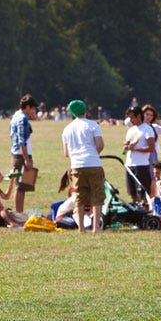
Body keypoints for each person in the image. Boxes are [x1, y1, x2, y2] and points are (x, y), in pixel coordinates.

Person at [61, 99, 105, 233]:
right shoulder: (93, 125)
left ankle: (81, 228)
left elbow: (66, 152)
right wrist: (92, 154)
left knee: (79, 196)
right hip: (93, 163)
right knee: (97, 195)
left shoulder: (67, 129)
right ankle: (96, 227)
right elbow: (100, 145)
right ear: (85, 111)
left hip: (76, 165)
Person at [9, 94, 39, 213]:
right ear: (27, 107)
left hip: (17, 153)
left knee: (21, 185)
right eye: (32, 108)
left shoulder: (16, 115)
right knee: (21, 187)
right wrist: (27, 159)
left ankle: (19, 212)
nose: (33, 111)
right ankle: (19, 214)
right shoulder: (22, 119)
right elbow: (22, 141)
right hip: (21, 155)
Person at [123, 106, 156, 207]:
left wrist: (135, 149)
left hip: (141, 166)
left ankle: (145, 217)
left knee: (143, 195)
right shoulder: (131, 130)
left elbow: (151, 148)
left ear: (138, 116)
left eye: (132, 117)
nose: (130, 120)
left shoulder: (147, 129)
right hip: (129, 165)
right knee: (132, 194)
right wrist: (126, 146)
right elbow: (126, 145)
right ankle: (135, 217)